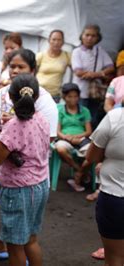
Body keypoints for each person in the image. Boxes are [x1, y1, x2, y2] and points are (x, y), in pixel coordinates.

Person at [0, 48, 58, 262]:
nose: (14, 70)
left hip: (18, 189)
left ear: (11, 96)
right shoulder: (40, 118)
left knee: (14, 246)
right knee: (30, 239)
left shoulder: (14, 125)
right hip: (37, 185)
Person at [86, 107, 124, 266]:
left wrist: (108, 160)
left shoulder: (116, 117)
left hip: (115, 197)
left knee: (114, 258)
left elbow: (91, 155)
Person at [71, 24, 115, 129]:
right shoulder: (77, 52)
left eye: (93, 36)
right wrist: (101, 74)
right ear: (82, 36)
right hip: (81, 91)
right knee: (81, 117)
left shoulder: (100, 51)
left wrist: (94, 74)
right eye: (87, 35)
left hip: (96, 92)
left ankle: (91, 140)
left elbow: (111, 67)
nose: (90, 38)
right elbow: (79, 72)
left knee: (93, 118)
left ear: (97, 38)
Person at [55, 83, 92, 191]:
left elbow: (88, 131)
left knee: (92, 153)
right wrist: (67, 138)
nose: (73, 99)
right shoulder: (60, 110)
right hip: (64, 138)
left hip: (81, 138)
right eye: (69, 96)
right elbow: (57, 131)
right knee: (60, 148)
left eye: (75, 96)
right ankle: (78, 170)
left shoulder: (85, 111)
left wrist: (76, 137)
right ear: (64, 97)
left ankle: (79, 175)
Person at [36, 30, 71, 102]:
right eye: (54, 39)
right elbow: (31, 72)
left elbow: (77, 70)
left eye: (59, 40)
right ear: (49, 41)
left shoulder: (67, 56)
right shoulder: (41, 56)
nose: (56, 43)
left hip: (55, 95)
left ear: (63, 42)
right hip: (38, 92)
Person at [0, 32, 23, 96]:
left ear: (20, 48)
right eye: (6, 48)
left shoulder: (25, 66)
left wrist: (4, 82)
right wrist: (14, 87)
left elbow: (25, 86)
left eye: (12, 48)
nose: (8, 51)